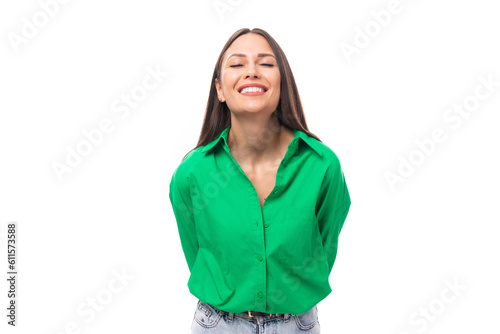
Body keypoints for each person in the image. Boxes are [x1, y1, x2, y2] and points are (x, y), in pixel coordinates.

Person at [169, 27, 351, 333]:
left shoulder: (322, 166)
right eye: (237, 64)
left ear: (283, 84)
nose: (251, 72)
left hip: (297, 325)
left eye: (266, 64)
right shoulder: (192, 174)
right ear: (220, 90)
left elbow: (323, 248)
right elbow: (198, 251)